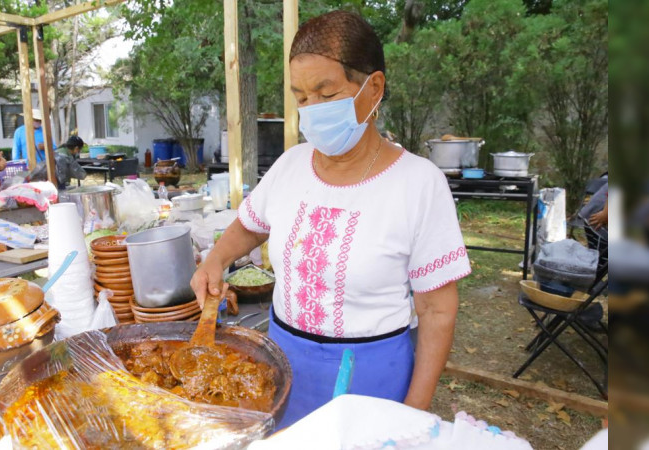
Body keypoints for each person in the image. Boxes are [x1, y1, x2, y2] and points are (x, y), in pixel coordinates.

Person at [191, 11, 470, 429]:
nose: (312, 110)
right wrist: (214, 260)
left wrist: (413, 414)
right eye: (301, 97)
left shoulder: (419, 184)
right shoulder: (291, 166)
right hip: (283, 365)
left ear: (372, 88)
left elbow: (437, 312)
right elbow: (251, 225)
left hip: (373, 378)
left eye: (326, 93)